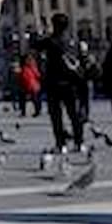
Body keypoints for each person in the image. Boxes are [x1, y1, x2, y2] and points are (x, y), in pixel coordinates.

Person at [36, 13, 85, 153]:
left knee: (56, 116)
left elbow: (35, 46)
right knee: (74, 115)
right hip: (72, 83)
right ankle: (79, 142)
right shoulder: (74, 41)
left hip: (54, 83)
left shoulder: (50, 41)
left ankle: (61, 144)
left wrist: (42, 33)